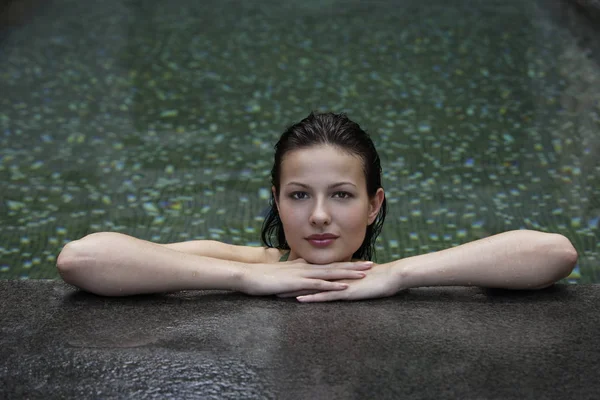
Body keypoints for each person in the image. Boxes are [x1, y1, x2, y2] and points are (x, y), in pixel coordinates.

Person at [56, 112, 578, 302]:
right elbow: (82, 259)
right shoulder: (244, 263)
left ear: (375, 206)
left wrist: (399, 275)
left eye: (342, 195)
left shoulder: (391, 272)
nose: (320, 215)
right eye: (300, 195)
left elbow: (554, 252)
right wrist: (245, 280)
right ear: (277, 202)